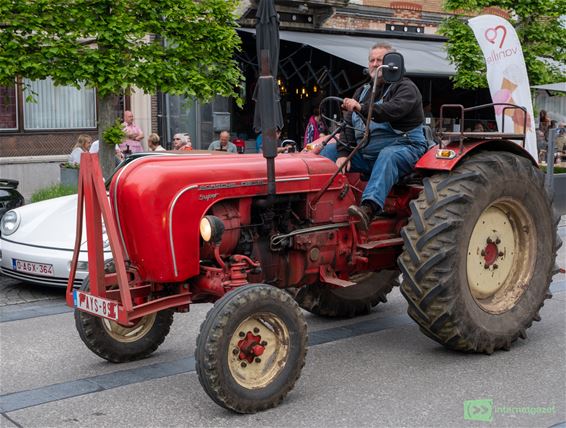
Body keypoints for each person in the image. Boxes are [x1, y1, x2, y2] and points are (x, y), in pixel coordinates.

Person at [320, 42, 428, 230]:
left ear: (392, 64)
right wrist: (343, 153)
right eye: (372, 60)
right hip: (369, 151)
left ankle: (369, 208)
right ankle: (320, 204)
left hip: (407, 147)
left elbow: (392, 110)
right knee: (327, 152)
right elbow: (347, 127)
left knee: (388, 154)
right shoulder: (361, 92)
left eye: (381, 60)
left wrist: (361, 108)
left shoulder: (406, 88)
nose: (375, 63)